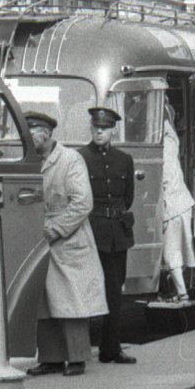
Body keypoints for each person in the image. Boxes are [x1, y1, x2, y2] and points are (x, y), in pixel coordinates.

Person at [24, 110, 104, 377]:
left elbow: (82, 203)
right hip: (39, 236)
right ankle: (51, 359)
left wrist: (55, 229)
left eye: (32, 131)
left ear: (47, 133)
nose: (27, 137)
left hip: (68, 237)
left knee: (72, 302)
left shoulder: (70, 159)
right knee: (44, 301)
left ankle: (78, 358)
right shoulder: (29, 161)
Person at [81, 105, 137, 365]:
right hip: (91, 232)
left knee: (114, 292)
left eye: (104, 128)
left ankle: (111, 349)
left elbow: (128, 198)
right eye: (96, 127)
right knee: (85, 291)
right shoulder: (80, 157)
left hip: (117, 235)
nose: (100, 132)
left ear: (113, 131)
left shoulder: (124, 159)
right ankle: (79, 352)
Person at [156, 101, 195, 304]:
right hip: (181, 201)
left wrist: (164, 209)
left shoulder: (164, 145)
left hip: (173, 204)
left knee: (171, 252)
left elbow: (165, 178)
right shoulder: (171, 138)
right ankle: (176, 290)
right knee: (177, 250)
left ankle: (182, 294)